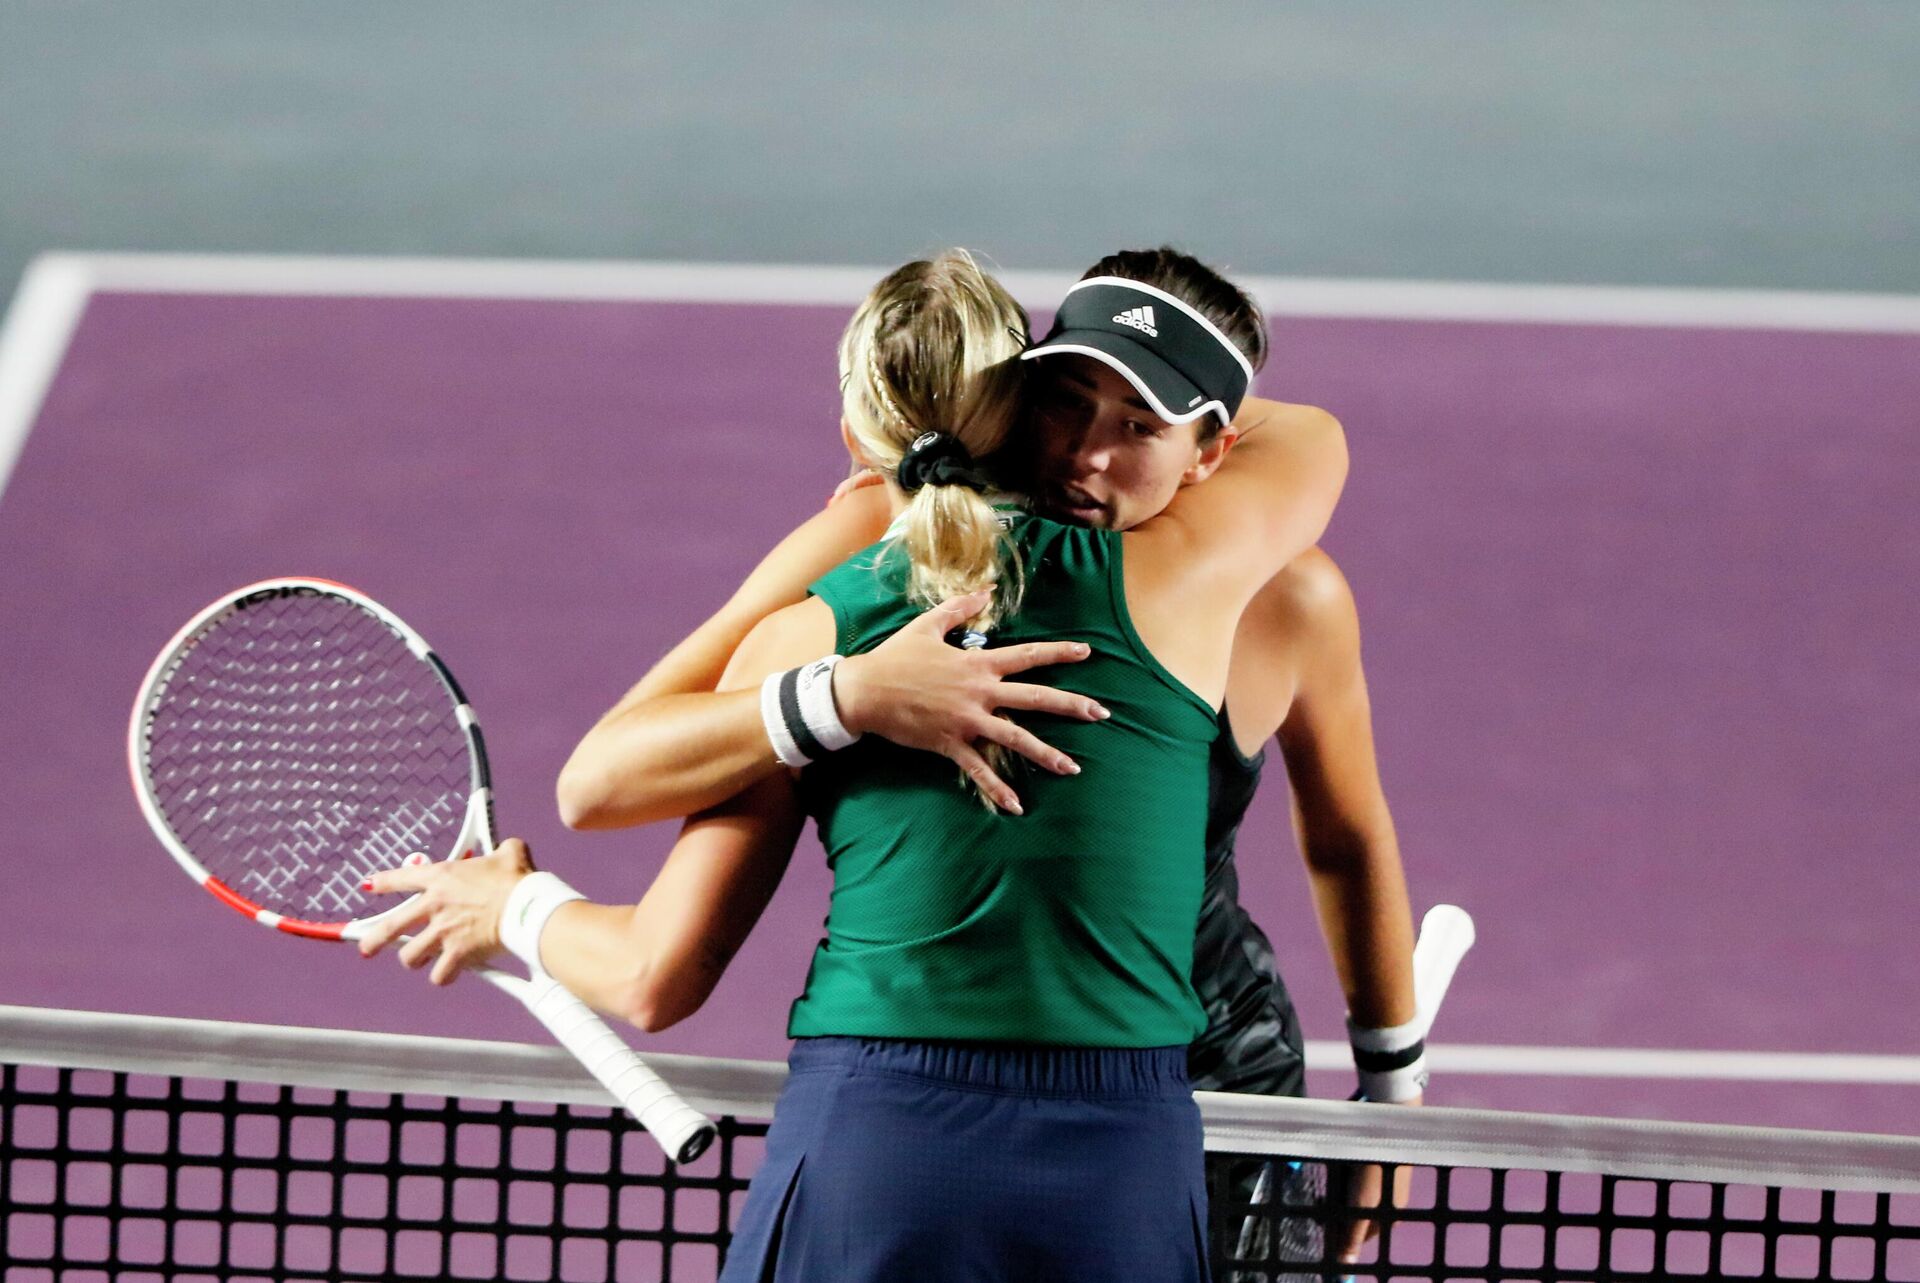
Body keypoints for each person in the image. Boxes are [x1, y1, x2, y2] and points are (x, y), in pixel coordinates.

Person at [363, 247, 1356, 1279]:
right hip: (1125, 1155)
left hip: (877, 1143)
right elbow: (1311, 437)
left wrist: (512, 909)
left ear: (854, 440)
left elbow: (647, 953)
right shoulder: (1187, 579)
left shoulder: (803, 641)